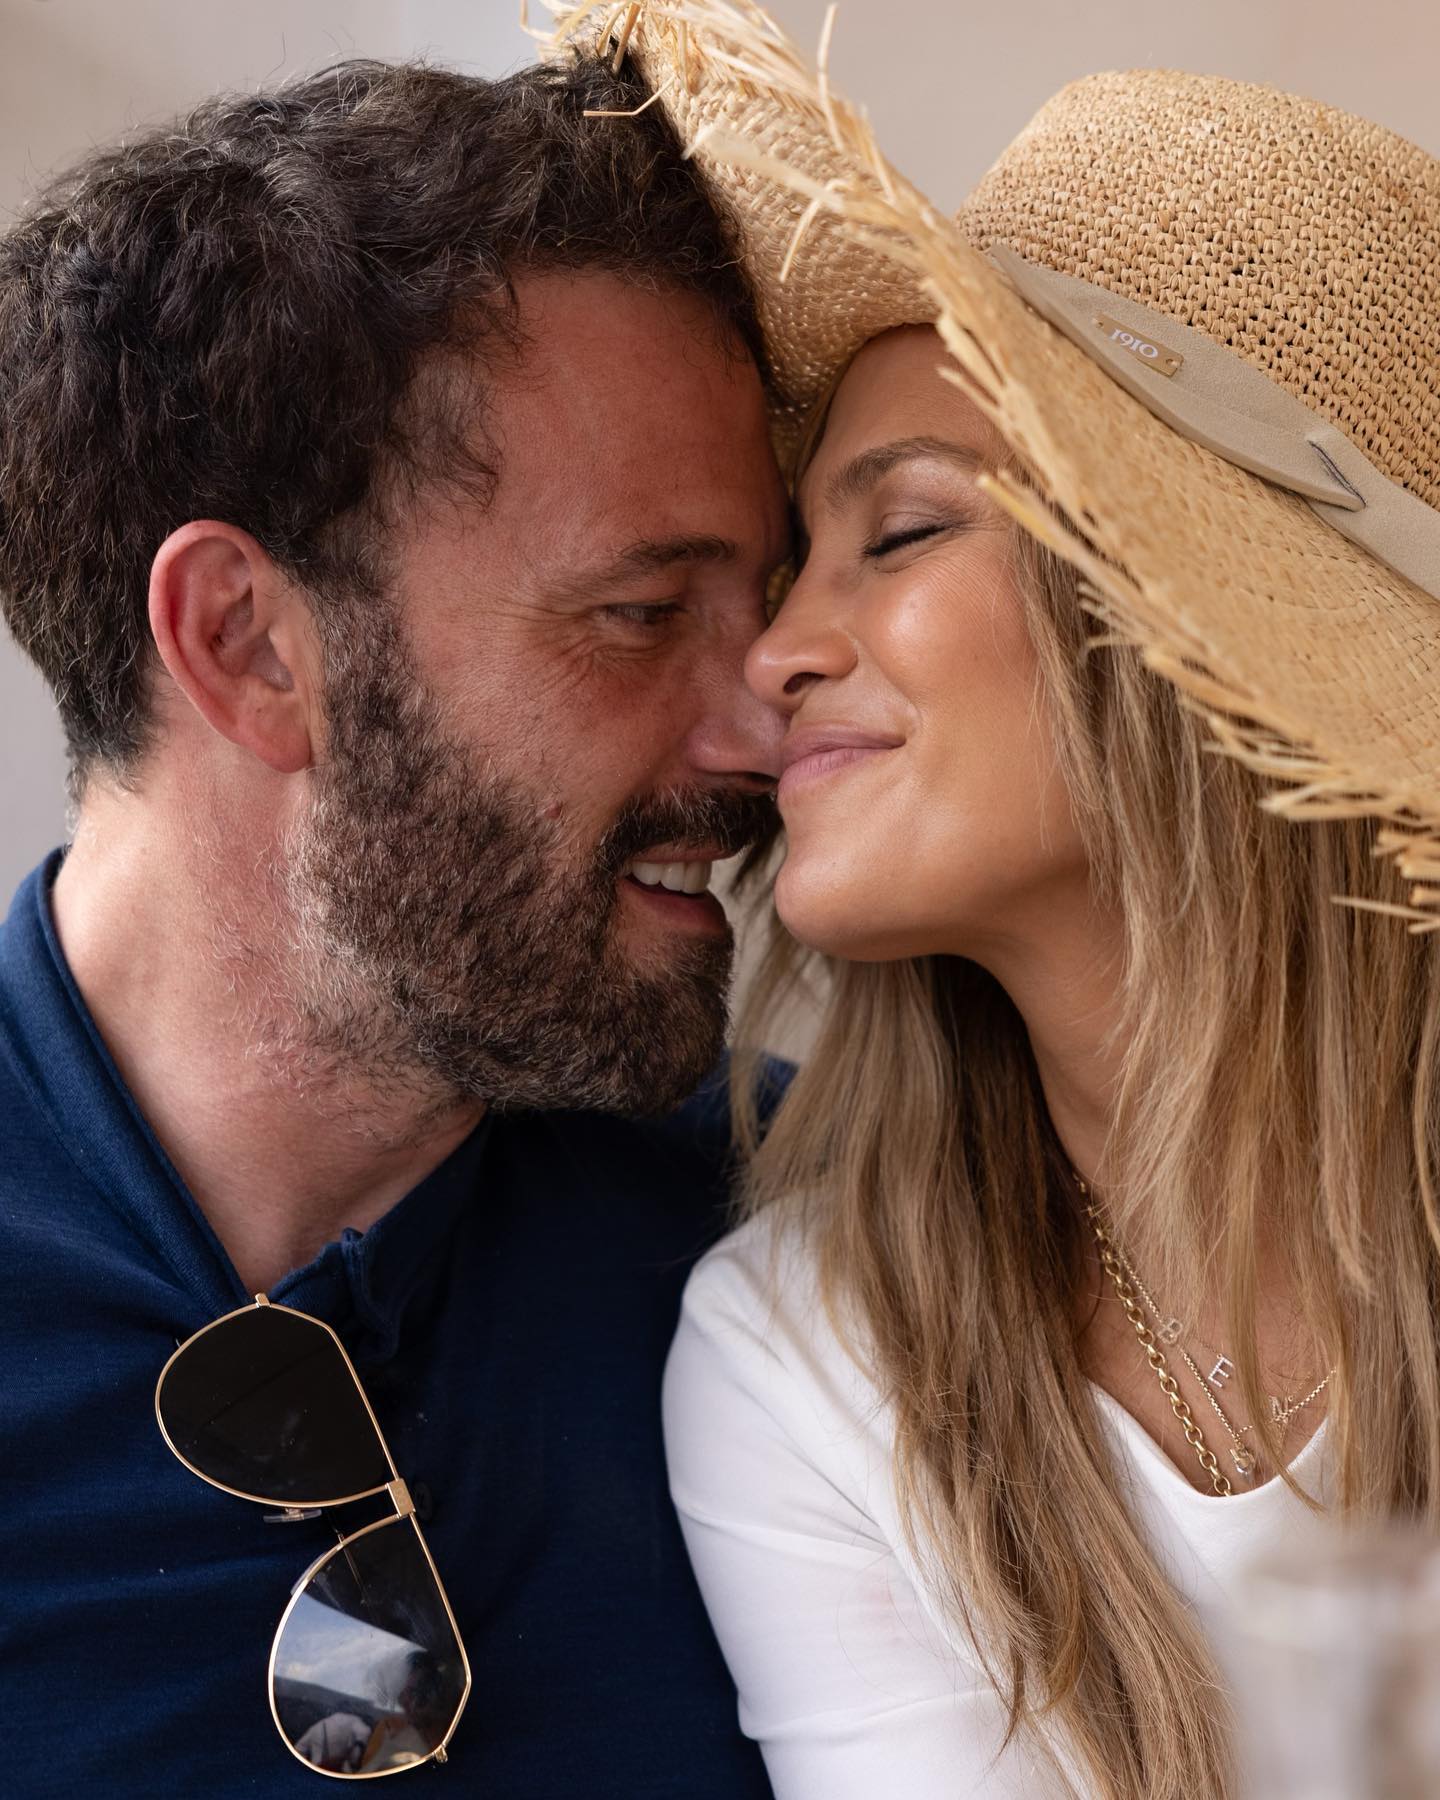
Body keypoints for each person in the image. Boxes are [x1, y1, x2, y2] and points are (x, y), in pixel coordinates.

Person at [559, 3, 1440, 1796]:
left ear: (1199, 637)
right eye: (801, 559)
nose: (777, 656)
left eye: (902, 533)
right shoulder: (814, 1354)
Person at [0, 51, 789, 1799]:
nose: (765, 733)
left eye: (766, 604)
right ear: (250, 643)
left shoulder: (834, 1237)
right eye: (643, 610)